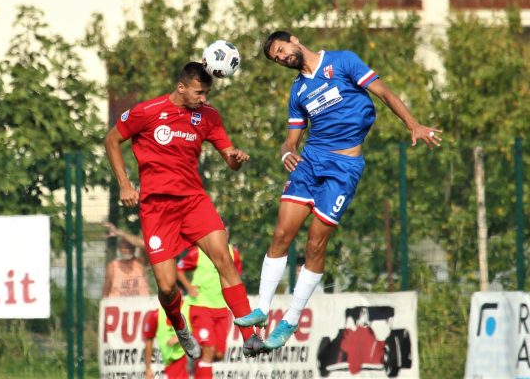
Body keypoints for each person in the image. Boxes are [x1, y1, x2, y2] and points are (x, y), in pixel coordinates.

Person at [235, 31, 443, 349]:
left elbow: (384, 93)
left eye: (280, 49)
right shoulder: (298, 91)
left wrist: (412, 124)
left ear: (293, 40)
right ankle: (262, 309)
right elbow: (291, 138)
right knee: (280, 235)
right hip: (309, 163)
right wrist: (286, 151)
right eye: (276, 58)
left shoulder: (343, 61)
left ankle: (290, 320)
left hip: (343, 169)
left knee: (316, 245)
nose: (281, 57)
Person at [104, 61, 266, 360]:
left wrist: (235, 159)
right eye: (199, 93)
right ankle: (179, 325)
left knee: (224, 258)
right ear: (181, 87)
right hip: (157, 208)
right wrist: (125, 184)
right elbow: (112, 139)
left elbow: (227, 156)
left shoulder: (209, 117)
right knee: (166, 288)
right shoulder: (147, 111)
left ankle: (249, 335)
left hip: (193, 201)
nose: (203, 99)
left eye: (206, 93)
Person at [176, 222, 243, 378]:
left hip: (221, 308)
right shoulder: (198, 252)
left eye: (225, 232)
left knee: (218, 354)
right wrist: (188, 286)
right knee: (208, 350)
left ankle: (196, 366)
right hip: (201, 307)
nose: (223, 236)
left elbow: (235, 278)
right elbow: (177, 268)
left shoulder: (233, 254)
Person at [102, 222, 151, 297]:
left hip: (140, 306)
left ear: (134, 248)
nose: (127, 250)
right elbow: (106, 290)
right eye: (124, 247)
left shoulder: (140, 263)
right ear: (119, 248)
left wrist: (121, 233)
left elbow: (145, 245)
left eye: (130, 247)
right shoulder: (112, 266)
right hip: (119, 306)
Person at [143, 306, 189, 379]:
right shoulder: (156, 314)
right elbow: (149, 340)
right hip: (172, 363)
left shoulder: (189, 307)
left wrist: (182, 336)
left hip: (188, 360)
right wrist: (148, 368)